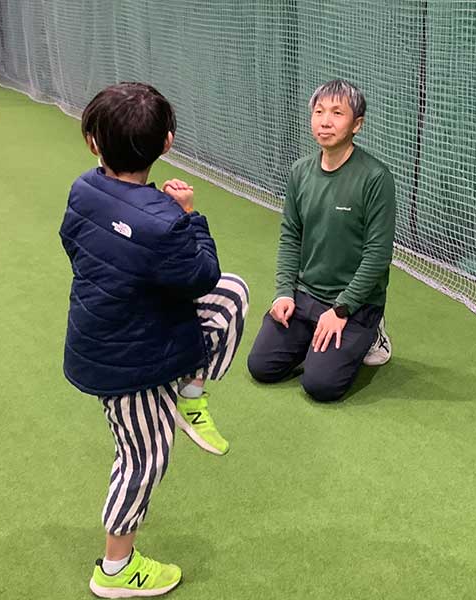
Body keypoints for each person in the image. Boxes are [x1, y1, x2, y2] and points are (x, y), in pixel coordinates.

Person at [60, 81, 249, 598]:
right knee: (143, 458)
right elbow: (201, 273)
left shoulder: (83, 189)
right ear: (167, 143)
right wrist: (190, 215)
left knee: (234, 295)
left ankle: (191, 392)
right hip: (126, 365)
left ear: (93, 143)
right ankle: (116, 570)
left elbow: (75, 243)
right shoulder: (165, 221)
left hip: (104, 333)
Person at [247, 79, 395, 402]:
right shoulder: (300, 172)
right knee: (261, 367)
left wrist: (342, 308)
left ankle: (372, 334)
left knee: (320, 386)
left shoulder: (376, 178)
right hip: (306, 295)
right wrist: (284, 292)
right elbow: (290, 236)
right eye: (319, 111)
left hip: (354, 304)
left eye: (337, 113)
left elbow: (378, 254)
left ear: (357, 124)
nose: (325, 121)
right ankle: (310, 339)